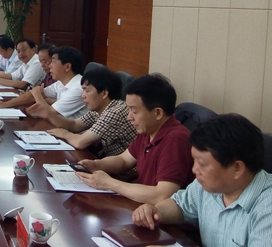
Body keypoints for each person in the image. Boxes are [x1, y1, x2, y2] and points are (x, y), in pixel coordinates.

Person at [132, 114, 272, 247]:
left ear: (237, 168)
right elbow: (180, 205)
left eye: (203, 164)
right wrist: (155, 212)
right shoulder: (210, 184)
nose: (195, 170)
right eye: (194, 161)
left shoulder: (267, 208)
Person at [74, 74, 194, 204]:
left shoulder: (175, 140)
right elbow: (123, 160)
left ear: (158, 113)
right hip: (140, 204)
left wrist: (109, 183)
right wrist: (96, 164)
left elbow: (162, 195)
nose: (129, 117)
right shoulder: (148, 130)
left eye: (134, 111)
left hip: (157, 211)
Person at [45, 66, 137, 156]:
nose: (83, 95)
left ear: (104, 93)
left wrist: (65, 134)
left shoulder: (115, 112)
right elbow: (74, 125)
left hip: (127, 166)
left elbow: (80, 142)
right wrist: (48, 114)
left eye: (87, 91)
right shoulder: (99, 108)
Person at [0, 46, 87, 119]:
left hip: (73, 135)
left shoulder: (78, 88)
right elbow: (32, 95)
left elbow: (48, 112)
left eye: (53, 61)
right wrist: (6, 104)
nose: (50, 66)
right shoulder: (61, 83)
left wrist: (37, 93)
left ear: (67, 67)